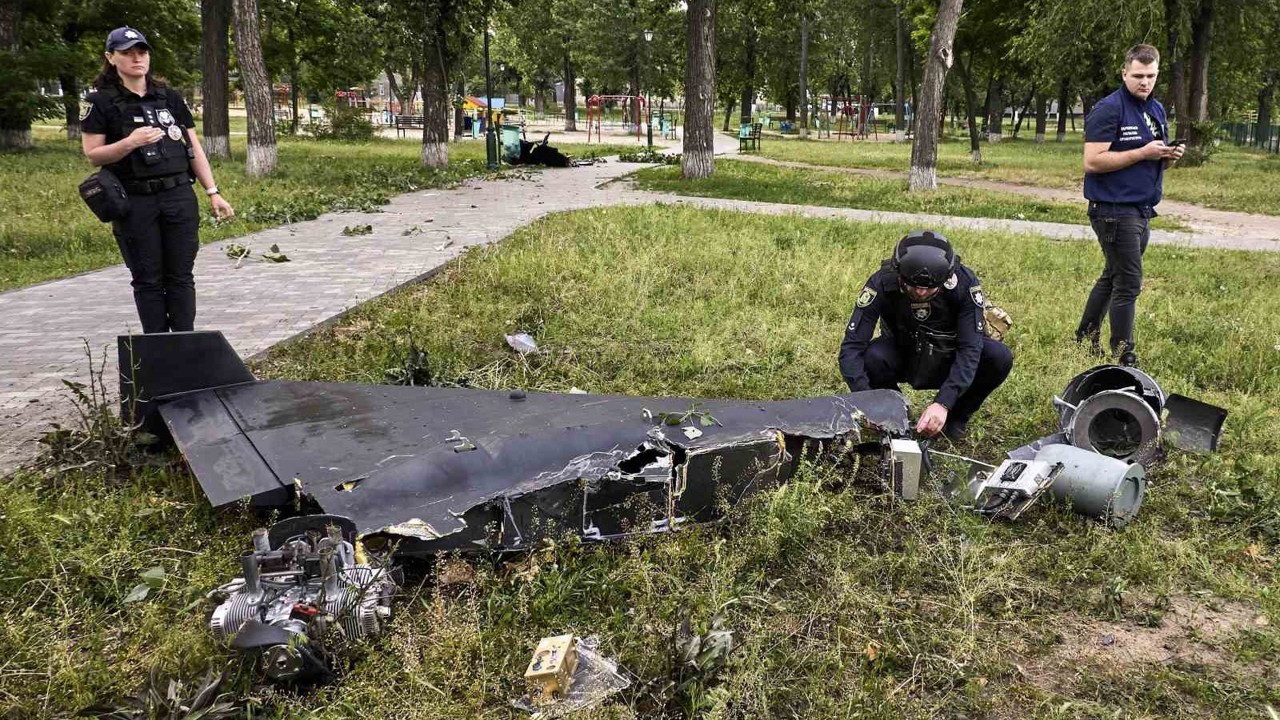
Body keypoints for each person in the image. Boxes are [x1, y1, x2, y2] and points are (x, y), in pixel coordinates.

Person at [81, 27, 234, 334]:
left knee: (181, 275)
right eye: (127, 53)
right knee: (148, 277)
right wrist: (130, 142)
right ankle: (157, 350)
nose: (136, 58)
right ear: (111, 58)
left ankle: (183, 344)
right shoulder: (100, 102)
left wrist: (213, 192)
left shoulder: (169, 97)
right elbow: (94, 155)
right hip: (135, 201)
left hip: (178, 195)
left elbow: (193, 148)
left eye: (142, 52)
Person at [839, 230, 1013, 440]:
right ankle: (894, 417)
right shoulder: (881, 283)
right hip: (905, 352)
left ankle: (955, 417)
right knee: (872, 356)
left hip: (949, 354)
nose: (921, 293)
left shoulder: (965, 284)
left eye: (930, 288)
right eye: (913, 285)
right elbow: (851, 348)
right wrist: (867, 400)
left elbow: (970, 349)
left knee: (999, 356)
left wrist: (943, 403)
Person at [1076, 43, 1184, 366]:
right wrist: (1143, 153)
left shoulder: (1156, 110)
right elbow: (1092, 161)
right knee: (1129, 283)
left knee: (1113, 276)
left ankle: (1085, 336)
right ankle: (1125, 356)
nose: (1145, 82)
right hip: (1113, 210)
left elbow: (1151, 162)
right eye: (1138, 75)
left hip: (1141, 209)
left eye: (1151, 76)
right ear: (1124, 73)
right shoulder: (1110, 109)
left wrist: (1168, 158)